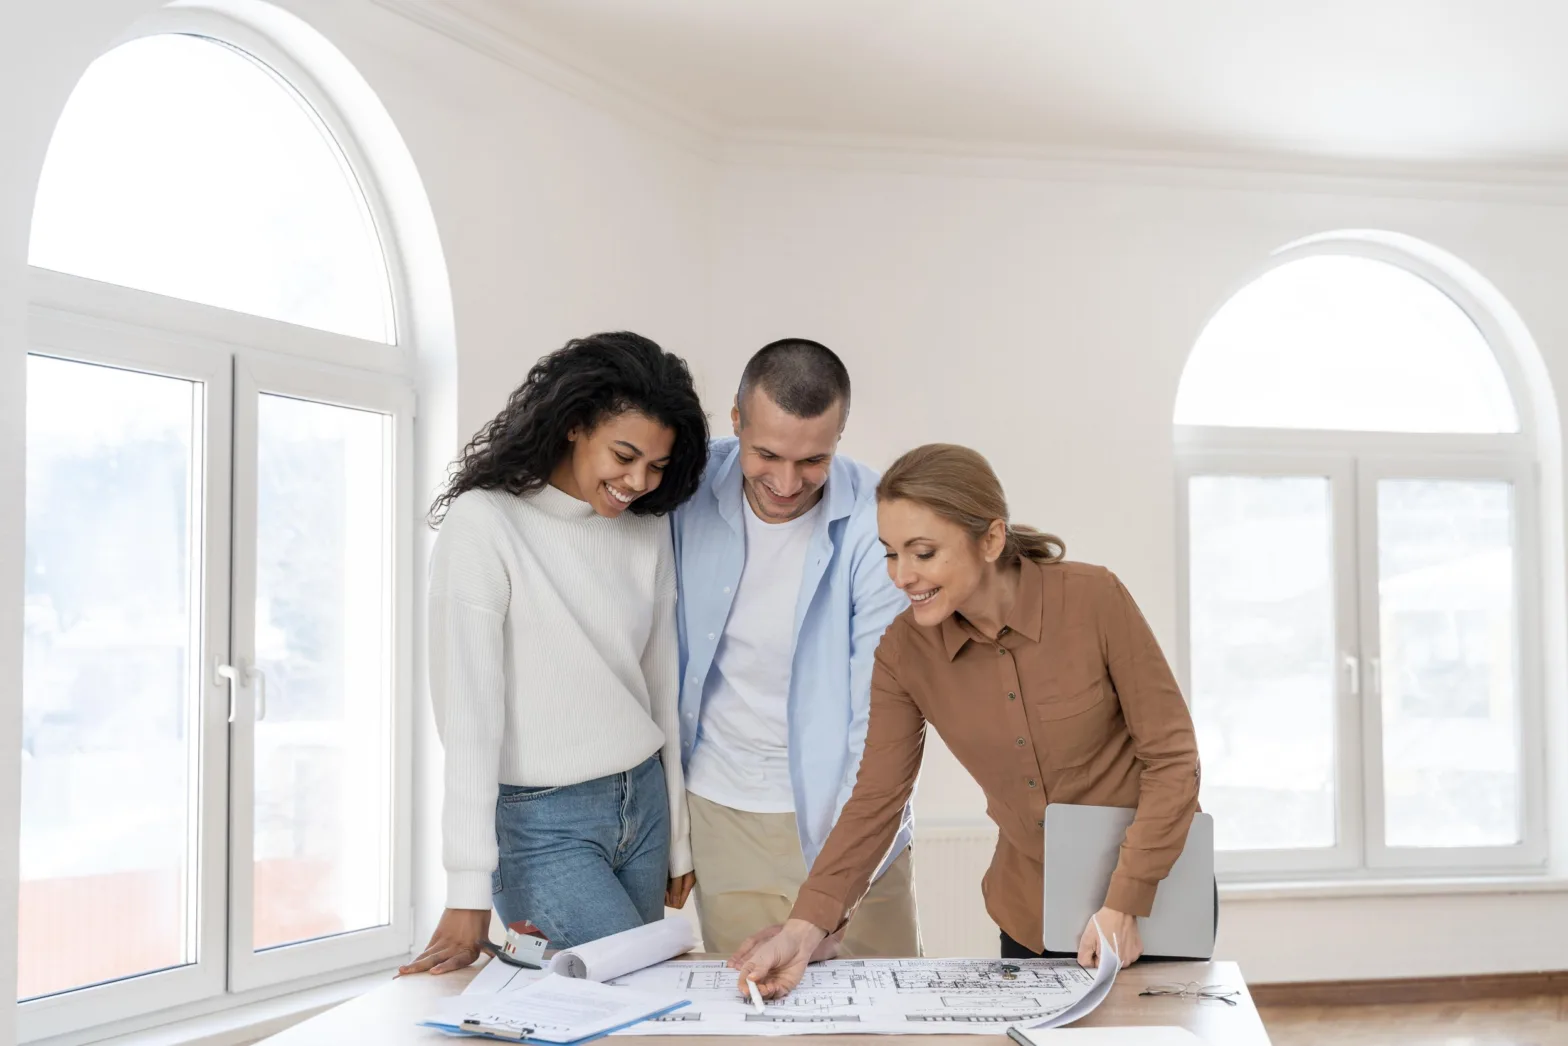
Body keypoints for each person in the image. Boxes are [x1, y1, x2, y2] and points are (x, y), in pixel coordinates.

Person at [735, 443, 1201, 996]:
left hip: (1154, 905)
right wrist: (806, 927)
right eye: (889, 553)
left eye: (923, 552)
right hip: (1031, 917)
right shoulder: (903, 654)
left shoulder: (1094, 598)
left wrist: (1125, 900)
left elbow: (1173, 761)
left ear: (991, 540)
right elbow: (876, 802)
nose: (902, 576)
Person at [400, 332, 709, 975]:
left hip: (643, 803)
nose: (637, 482)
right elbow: (470, 718)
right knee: (636, 1010)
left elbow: (662, 683)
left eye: (655, 467)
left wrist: (678, 836)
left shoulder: (646, 529)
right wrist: (466, 890)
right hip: (543, 826)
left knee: (618, 1013)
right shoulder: (484, 524)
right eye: (624, 456)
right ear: (574, 426)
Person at [672, 338, 920, 958]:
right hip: (723, 809)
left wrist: (843, 868)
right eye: (767, 454)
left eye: (814, 460)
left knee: (880, 1018)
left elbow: (880, 709)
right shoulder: (686, 491)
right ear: (735, 420)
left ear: (840, 434)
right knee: (752, 1012)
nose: (787, 483)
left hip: (849, 816)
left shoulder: (877, 518)